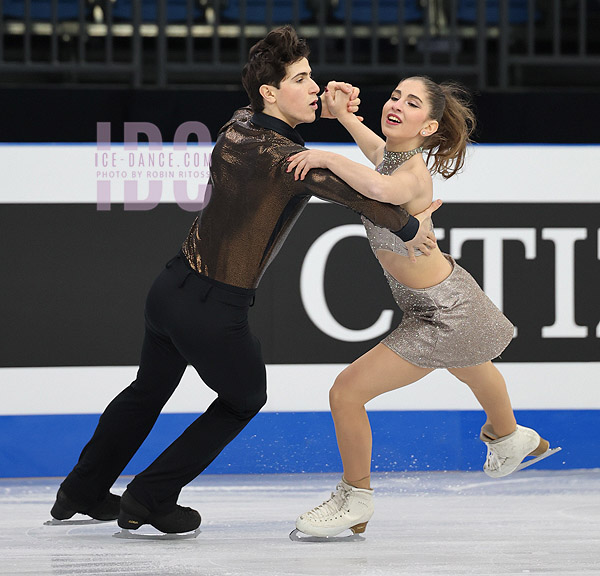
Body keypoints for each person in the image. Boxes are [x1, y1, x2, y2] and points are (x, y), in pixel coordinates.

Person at [50, 26, 440, 535]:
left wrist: (334, 112)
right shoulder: (285, 161)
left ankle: (80, 489)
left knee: (147, 389)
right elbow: (353, 194)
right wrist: (409, 225)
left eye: (312, 76)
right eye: (302, 79)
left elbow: (282, 130)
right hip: (215, 307)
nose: (315, 85)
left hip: (170, 289)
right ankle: (151, 496)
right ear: (270, 93)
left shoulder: (239, 124)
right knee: (244, 398)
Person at [287, 76, 559, 539]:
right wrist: (346, 118)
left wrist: (326, 155)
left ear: (429, 125)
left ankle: (356, 498)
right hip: (447, 298)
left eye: (411, 104)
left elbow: (380, 186)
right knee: (474, 365)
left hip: (443, 314)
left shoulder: (410, 174)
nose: (396, 105)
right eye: (394, 96)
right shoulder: (398, 157)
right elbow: (377, 157)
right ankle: (510, 435)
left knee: (346, 393)